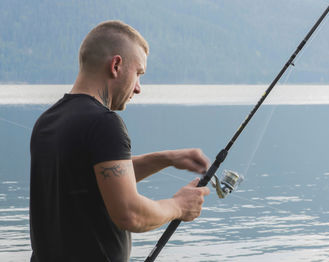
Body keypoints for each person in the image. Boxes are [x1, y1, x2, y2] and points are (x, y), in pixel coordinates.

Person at [30, 20, 210, 262]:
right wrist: (178, 206)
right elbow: (129, 213)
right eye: (138, 74)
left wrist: (167, 159)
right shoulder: (104, 123)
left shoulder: (48, 121)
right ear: (116, 65)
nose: (138, 88)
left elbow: (100, 176)